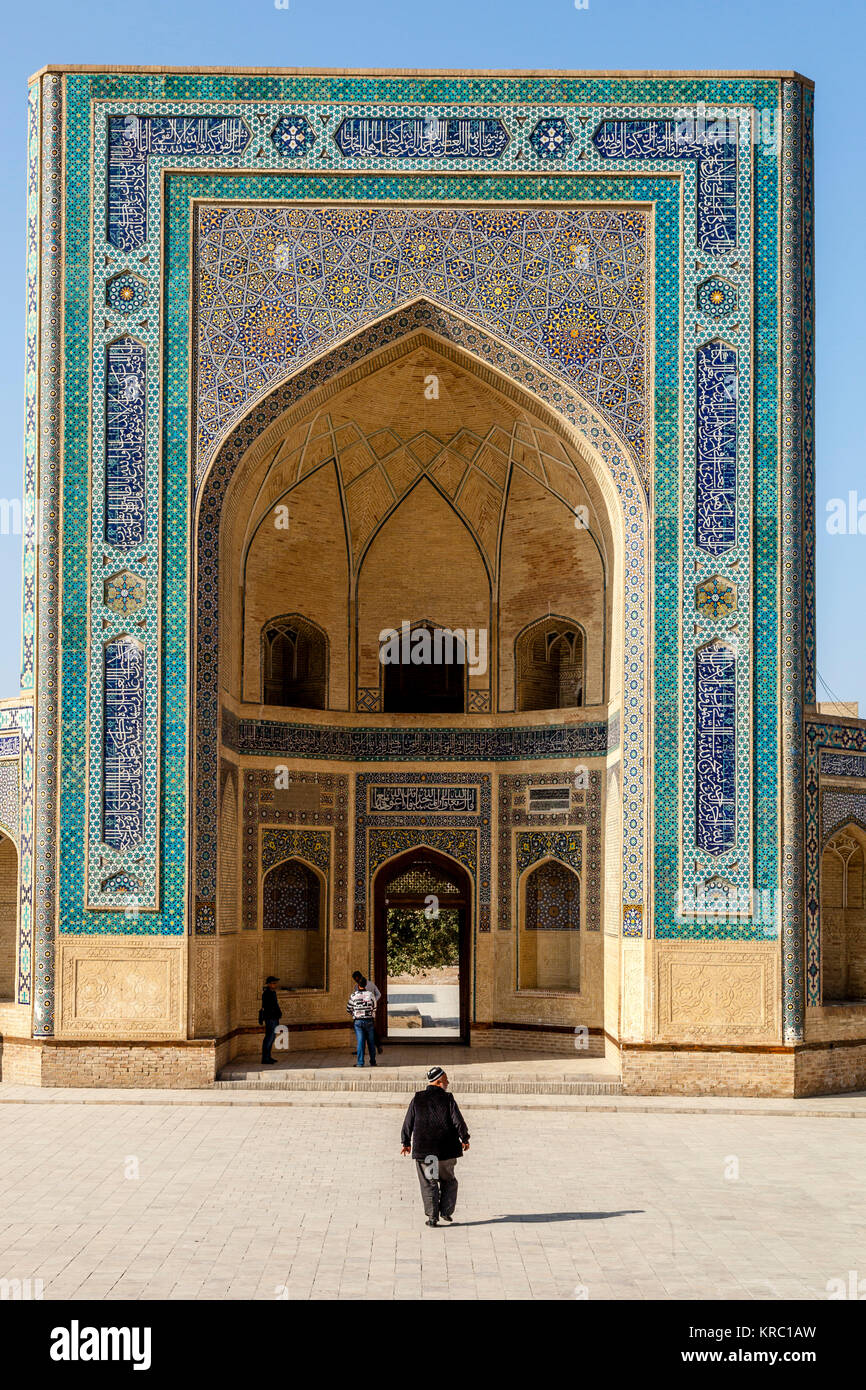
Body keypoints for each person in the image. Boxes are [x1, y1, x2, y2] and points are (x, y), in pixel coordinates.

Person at [401, 1065, 470, 1226]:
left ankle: (432, 1217)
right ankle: (446, 1211)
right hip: (446, 1150)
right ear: (439, 1082)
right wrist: (465, 1138)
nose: (448, 1083)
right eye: (446, 1080)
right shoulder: (448, 1099)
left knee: (429, 1182)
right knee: (449, 1180)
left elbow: (408, 1122)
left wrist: (405, 1142)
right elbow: (458, 1121)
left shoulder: (418, 1098)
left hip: (427, 1152)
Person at [346, 980, 377, 1067]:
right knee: (371, 1042)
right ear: (365, 985)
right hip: (369, 1021)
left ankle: (360, 1062)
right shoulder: (371, 995)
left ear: (358, 985)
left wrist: (355, 1013)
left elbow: (348, 1008)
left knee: (360, 1042)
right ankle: (373, 1061)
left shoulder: (353, 996)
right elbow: (374, 1008)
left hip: (358, 1021)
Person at [351, 970, 383, 1054]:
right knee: (371, 1031)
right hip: (369, 1012)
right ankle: (377, 1047)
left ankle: (361, 1051)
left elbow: (353, 1002)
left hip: (360, 1014)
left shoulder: (357, 987)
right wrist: (373, 1003)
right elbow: (379, 994)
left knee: (362, 1034)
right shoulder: (371, 984)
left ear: (357, 978)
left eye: (355, 979)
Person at [259, 976, 282, 1065]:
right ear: (269, 984)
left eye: (275, 983)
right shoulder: (267, 993)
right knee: (269, 1038)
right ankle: (265, 1058)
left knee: (272, 1037)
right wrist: (275, 1013)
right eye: (273, 983)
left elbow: (275, 1005)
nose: (275, 985)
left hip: (274, 1018)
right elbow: (269, 1007)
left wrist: (278, 1013)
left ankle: (268, 1056)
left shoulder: (272, 993)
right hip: (270, 1018)